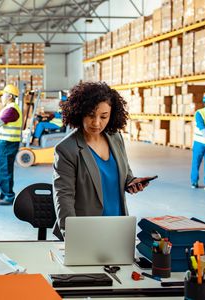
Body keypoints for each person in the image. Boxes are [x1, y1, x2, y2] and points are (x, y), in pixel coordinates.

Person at [52, 81, 151, 240]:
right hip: (86, 230)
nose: (97, 123)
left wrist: (131, 182)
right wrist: (72, 236)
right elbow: (64, 197)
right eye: (91, 115)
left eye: (103, 116)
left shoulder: (115, 137)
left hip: (118, 225)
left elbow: (124, 172)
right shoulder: (66, 149)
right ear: (79, 112)